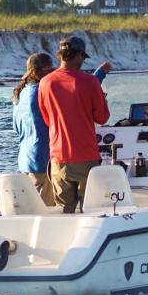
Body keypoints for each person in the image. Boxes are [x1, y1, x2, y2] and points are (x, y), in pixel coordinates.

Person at [38, 36, 111, 213]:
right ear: (78, 55)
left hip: (59, 157)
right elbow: (102, 118)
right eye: (83, 57)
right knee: (91, 211)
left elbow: (47, 118)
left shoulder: (45, 82)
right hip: (86, 155)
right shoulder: (90, 82)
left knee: (64, 212)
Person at [12, 52, 55, 205]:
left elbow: (16, 128)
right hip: (42, 159)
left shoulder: (21, 93)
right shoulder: (41, 92)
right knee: (45, 209)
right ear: (39, 72)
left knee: (31, 206)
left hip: (25, 158)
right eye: (50, 70)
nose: (53, 74)